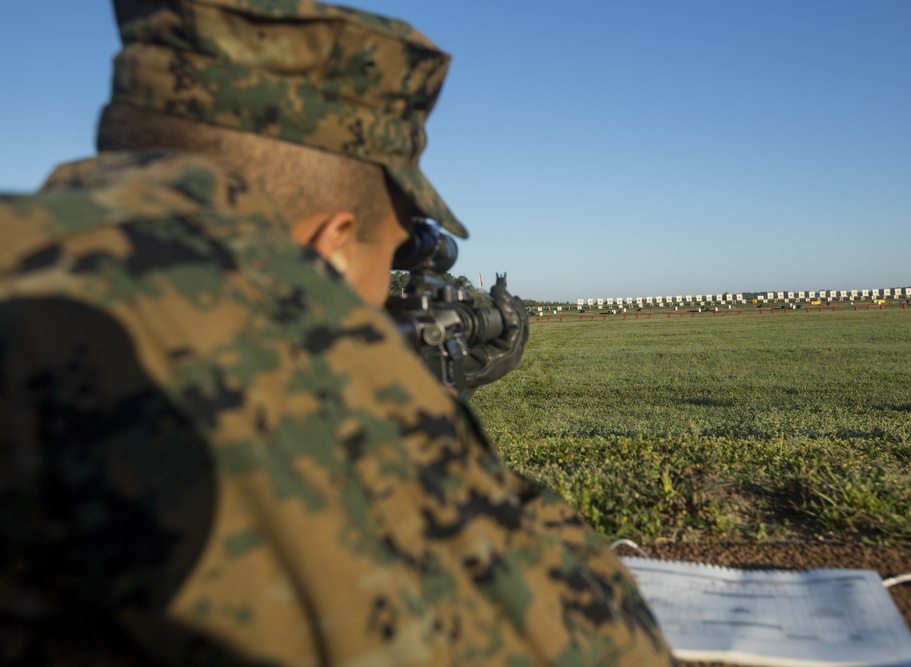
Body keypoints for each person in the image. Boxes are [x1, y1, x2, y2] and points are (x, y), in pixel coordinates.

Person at [0, 1, 673, 665]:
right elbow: (603, 645)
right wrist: (421, 410)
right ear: (333, 250)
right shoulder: (260, 355)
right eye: (390, 261)